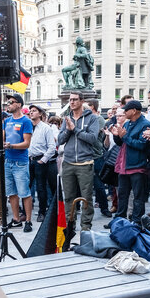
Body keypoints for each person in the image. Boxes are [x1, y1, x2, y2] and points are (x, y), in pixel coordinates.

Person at [58, 91, 102, 231]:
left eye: (75, 100)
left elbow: (92, 139)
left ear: (82, 101)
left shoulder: (92, 118)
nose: (71, 102)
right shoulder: (67, 118)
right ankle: (69, 225)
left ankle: (85, 227)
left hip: (85, 163)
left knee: (86, 198)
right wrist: (68, 130)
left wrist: (75, 129)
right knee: (69, 197)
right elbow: (59, 140)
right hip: (68, 162)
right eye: (70, 100)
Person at [111, 100, 150, 222]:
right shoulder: (127, 124)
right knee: (122, 195)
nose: (124, 113)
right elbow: (120, 143)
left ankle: (137, 221)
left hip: (137, 166)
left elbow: (142, 145)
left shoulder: (146, 125)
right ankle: (120, 219)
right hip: (124, 165)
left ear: (134, 111)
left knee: (138, 197)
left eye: (126, 111)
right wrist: (116, 135)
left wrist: (125, 137)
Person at [2, 94, 33, 232]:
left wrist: (11, 146)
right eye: (7, 102)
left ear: (19, 104)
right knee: (11, 193)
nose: (8, 104)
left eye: (11, 102)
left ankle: (28, 221)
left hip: (20, 162)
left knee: (24, 193)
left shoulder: (26, 121)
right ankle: (16, 219)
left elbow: (27, 143)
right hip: (8, 161)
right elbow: (3, 137)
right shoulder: (7, 121)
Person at [28, 104, 57, 223]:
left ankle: (42, 212)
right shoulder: (28, 127)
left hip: (40, 160)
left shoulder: (46, 128)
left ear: (40, 114)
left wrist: (43, 159)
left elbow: (52, 146)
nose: (31, 113)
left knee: (41, 188)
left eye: (34, 111)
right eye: (30, 111)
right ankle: (25, 212)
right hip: (29, 159)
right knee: (26, 187)